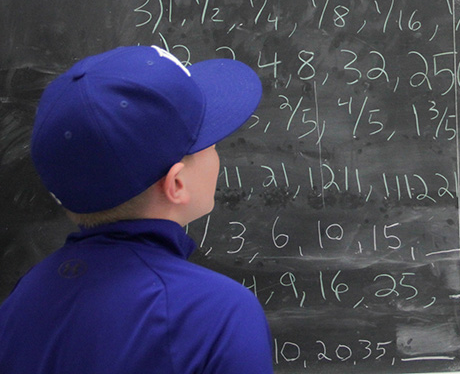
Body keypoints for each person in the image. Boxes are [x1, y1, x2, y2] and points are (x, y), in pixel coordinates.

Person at [0, 45, 274, 373]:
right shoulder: (218, 314)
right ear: (176, 184)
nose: (217, 154)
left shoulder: (23, 300)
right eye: (209, 144)